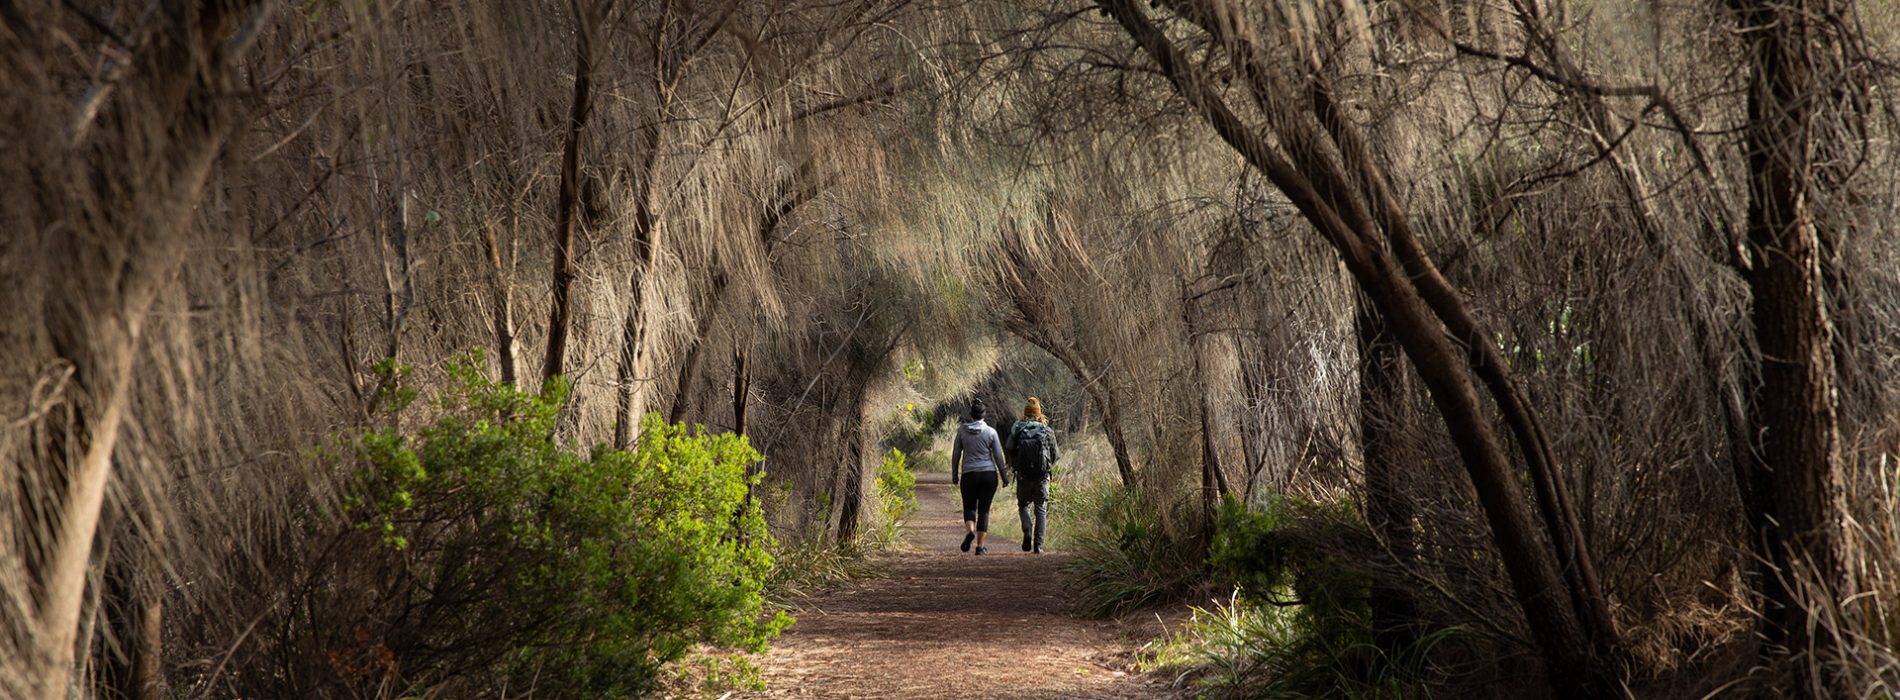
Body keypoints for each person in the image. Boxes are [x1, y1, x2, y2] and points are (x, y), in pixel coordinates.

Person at [950, 399, 1008, 555]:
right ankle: (980, 547)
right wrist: (1004, 477)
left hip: (969, 475)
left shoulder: (962, 431)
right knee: (984, 511)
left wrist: (955, 474)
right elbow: (998, 456)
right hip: (988, 475)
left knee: (969, 507)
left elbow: (956, 454)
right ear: (984, 415)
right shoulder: (991, 432)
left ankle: (970, 531)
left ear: (971, 415)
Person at [1004, 397, 1059, 553]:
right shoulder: (1046, 430)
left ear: (1025, 413)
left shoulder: (1019, 428)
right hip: (1042, 476)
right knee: (1041, 508)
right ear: (1039, 413)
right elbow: (1056, 454)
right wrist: (1046, 467)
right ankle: (1038, 546)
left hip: (1023, 476)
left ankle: (1027, 530)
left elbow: (1008, 447)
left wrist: (1016, 463)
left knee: (1023, 505)